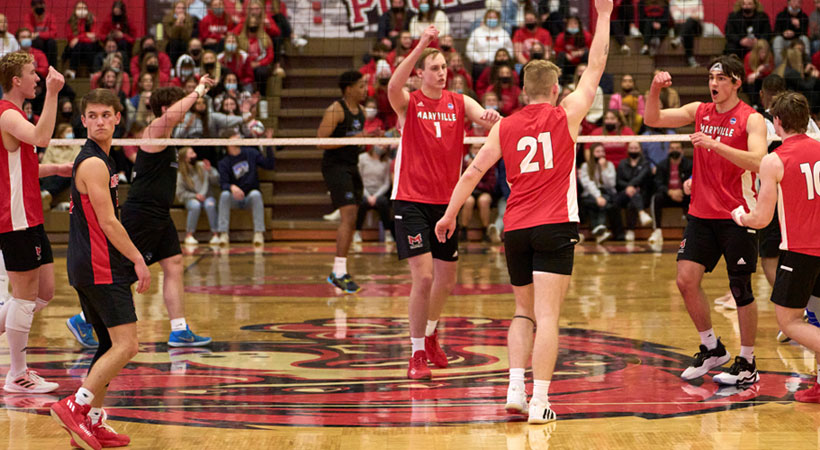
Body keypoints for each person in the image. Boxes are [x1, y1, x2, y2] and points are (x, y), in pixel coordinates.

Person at [434, 0, 612, 423]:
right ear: (554, 89)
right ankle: (539, 402)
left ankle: (514, 387)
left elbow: (472, 173)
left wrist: (447, 215)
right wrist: (603, 16)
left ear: (522, 88)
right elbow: (597, 64)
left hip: (515, 228)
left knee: (522, 312)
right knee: (548, 318)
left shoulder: (504, 126)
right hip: (555, 226)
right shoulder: (566, 114)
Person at [644, 54, 768, 385]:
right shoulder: (699, 111)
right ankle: (713, 348)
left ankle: (748, 361)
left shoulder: (751, 119)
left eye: (721, 79)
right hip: (701, 214)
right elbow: (652, 117)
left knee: (740, 288)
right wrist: (655, 88)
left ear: (737, 82)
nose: (713, 84)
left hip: (738, 215)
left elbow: (758, 161)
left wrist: (714, 144)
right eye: (711, 78)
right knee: (685, 279)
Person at [67, 78, 216, 350]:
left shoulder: (168, 139)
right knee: (125, 273)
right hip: (142, 215)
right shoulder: (154, 131)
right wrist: (199, 90)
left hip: (161, 215)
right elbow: (173, 114)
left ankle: (179, 329)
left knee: (173, 265)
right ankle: (84, 319)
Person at [388, 24, 501, 380]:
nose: (442, 73)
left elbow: (485, 117)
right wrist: (421, 44)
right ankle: (416, 353)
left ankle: (432, 333)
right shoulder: (410, 103)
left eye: (444, 67)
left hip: (446, 205)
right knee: (422, 278)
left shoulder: (459, 102)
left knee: (446, 279)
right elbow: (393, 86)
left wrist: (494, 119)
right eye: (434, 68)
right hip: (411, 201)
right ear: (420, 73)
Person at [50, 88, 151, 450]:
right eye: (92, 115)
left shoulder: (102, 160)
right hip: (99, 262)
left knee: (108, 343)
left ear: (118, 118)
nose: (99, 121)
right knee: (127, 344)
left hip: (91, 262)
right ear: (83, 120)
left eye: (105, 115)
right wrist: (138, 259)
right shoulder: (93, 163)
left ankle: (90, 422)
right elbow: (108, 222)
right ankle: (75, 405)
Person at [731, 91, 820, 402]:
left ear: (777, 122)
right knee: (817, 318)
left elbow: (761, 218)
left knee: (790, 322)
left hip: (801, 252)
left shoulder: (775, 159)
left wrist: (740, 216)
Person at [0, 53, 70, 392]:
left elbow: (25, 164)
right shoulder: (7, 115)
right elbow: (42, 139)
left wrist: (55, 170)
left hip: (30, 217)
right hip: (15, 219)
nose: (38, 79)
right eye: (32, 73)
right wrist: (54, 94)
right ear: (16, 80)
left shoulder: (17, 116)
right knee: (25, 296)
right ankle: (17, 374)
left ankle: (17, 369)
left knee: (44, 292)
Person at [317, 71, 374, 292]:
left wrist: (369, 137)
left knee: (352, 217)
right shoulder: (336, 109)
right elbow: (320, 142)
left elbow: (355, 142)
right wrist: (354, 139)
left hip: (352, 166)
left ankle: (341, 270)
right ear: (348, 89)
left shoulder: (360, 112)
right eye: (360, 86)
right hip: (335, 167)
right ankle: (338, 272)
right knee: (348, 215)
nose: (364, 90)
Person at [216, 128, 274, 246]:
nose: (238, 137)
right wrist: (232, 187)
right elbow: (223, 184)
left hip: (249, 197)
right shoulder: (224, 162)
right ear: (227, 142)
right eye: (235, 136)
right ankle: (223, 234)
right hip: (234, 198)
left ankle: (258, 233)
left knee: (256, 194)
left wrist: (268, 144)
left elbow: (269, 165)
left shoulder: (251, 153)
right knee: (224, 195)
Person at [648, 140, 692, 245]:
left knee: (696, 198)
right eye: (672, 148)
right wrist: (670, 192)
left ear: (682, 150)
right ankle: (657, 231)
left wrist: (681, 192)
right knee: (656, 198)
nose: (675, 150)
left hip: (684, 195)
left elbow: (692, 183)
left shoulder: (690, 164)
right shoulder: (662, 165)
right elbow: (658, 184)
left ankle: (692, 231)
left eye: (677, 148)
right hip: (668, 195)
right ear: (668, 150)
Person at [177, 146, 220, 245]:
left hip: (207, 197)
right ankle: (189, 235)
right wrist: (194, 195)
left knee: (210, 204)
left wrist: (210, 170)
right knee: (195, 205)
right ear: (185, 159)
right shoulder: (181, 174)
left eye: (194, 153)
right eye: (191, 154)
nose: (195, 155)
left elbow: (216, 181)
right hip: (191, 198)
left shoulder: (202, 165)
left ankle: (215, 234)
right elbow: (180, 193)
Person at [615, 141, 654, 241]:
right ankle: (642, 213)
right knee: (614, 203)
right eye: (631, 148)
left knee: (632, 202)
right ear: (628, 150)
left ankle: (630, 231)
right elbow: (618, 181)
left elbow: (641, 178)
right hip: (624, 193)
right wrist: (629, 188)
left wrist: (630, 186)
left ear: (640, 149)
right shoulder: (623, 163)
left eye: (636, 148)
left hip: (642, 194)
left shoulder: (645, 163)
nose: (633, 150)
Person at [772, 0, 810, 67]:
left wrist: (798, 27)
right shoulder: (781, 15)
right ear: (789, 2)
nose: (796, 4)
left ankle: (807, 65)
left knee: (805, 39)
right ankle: (779, 68)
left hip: (797, 41)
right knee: (777, 39)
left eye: (799, 2)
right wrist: (784, 33)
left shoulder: (804, 16)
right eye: (794, 1)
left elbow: (805, 33)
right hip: (784, 40)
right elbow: (776, 31)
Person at [25, 0, 58, 67]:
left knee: (51, 42)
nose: (38, 6)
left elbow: (53, 33)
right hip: (37, 44)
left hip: (49, 44)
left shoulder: (50, 17)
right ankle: (38, 67)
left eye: (40, 4)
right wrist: (36, 17)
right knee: (38, 42)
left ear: (44, 5)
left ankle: (52, 68)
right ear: (32, 8)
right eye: (35, 5)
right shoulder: (28, 17)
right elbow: (30, 33)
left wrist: (38, 34)